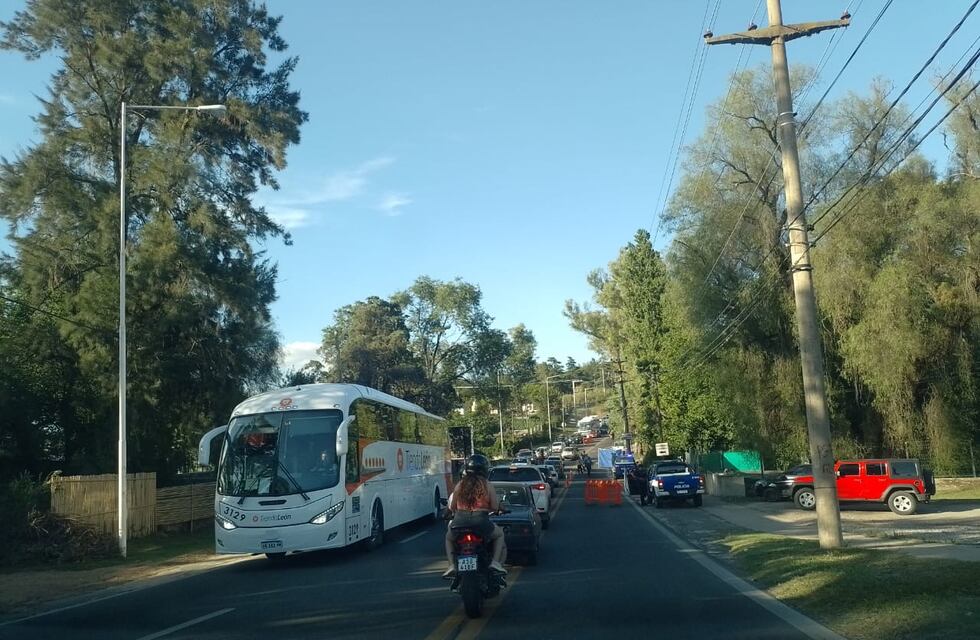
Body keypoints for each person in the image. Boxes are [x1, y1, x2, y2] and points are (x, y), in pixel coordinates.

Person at [443, 453, 507, 578]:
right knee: (499, 535)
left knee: (449, 538)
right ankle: (495, 563)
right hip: (481, 522)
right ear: (484, 469)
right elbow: (494, 506)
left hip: (459, 522)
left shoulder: (460, 484)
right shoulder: (487, 484)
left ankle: (451, 565)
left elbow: (452, 506)